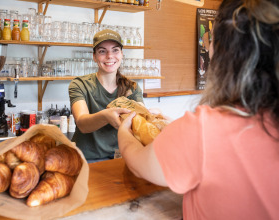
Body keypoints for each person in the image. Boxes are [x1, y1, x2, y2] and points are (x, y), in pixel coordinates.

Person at [118, 0, 279, 219]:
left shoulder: (204, 128)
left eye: (211, 40)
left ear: (224, 53)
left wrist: (123, 132)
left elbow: (139, 164)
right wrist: (175, 128)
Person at [69, 29, 144, 162]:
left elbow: (140, 124)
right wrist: (106, 115)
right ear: (94, 56)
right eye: (102, 51)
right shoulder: (80, 84)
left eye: (115, 50)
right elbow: (82, 124)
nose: (110, 56)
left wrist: (151, 115)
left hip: (121, 157)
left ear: (122, 54)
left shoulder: (132, 88)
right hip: (87, 159)